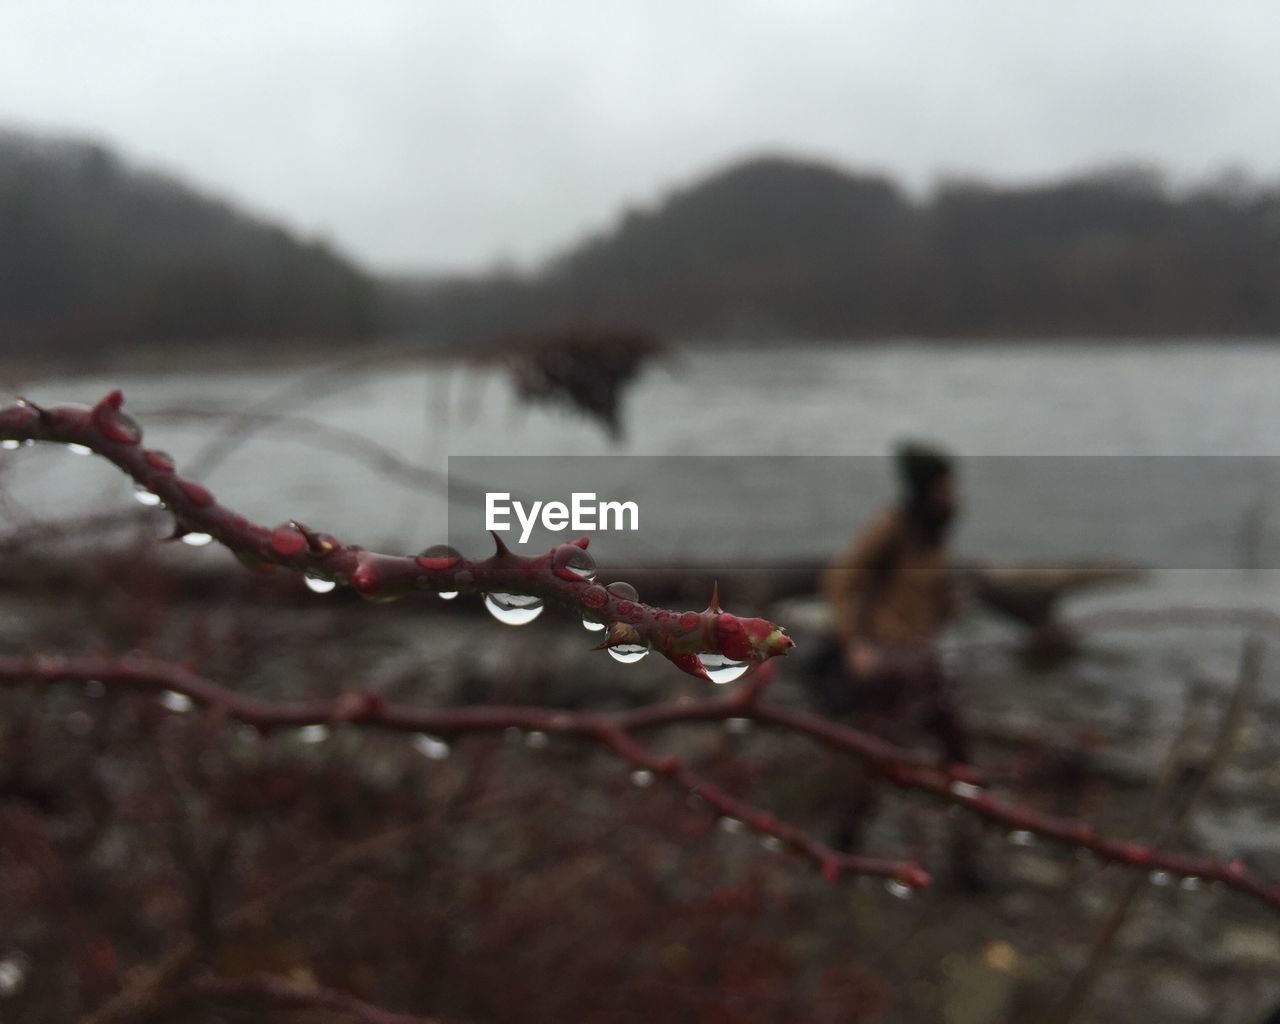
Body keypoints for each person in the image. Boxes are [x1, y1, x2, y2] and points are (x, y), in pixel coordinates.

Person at [818, 442, 977, 867]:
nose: (955, 494)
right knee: (880, 755)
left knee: (958, 755)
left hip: (926, 661)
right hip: (889, 663)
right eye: (947, 486)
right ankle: (843, 844)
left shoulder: (936, 530)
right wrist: (854, 645)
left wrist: (948, 606)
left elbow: (932, 594)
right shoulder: (893, 527)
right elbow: (839, 581)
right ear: (929, 489)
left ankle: (966, 856)